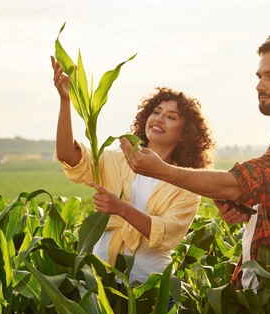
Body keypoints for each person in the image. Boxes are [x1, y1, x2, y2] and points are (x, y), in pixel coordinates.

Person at [120, 33, 270, 290]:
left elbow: (239, 183)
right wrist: (246, 212)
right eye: (259, 77)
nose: (260, 85)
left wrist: (161, 170)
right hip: (264, 296)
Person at [50, 56, 215, 286]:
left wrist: (121, 209)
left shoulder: (186, 184)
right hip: (102, 284)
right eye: (156, 112)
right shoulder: (117, 160)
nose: (159, 119)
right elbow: (69, 156)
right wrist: (66, 100)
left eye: (171, 117)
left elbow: (165, 235)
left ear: (184, 134)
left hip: (150, 291)